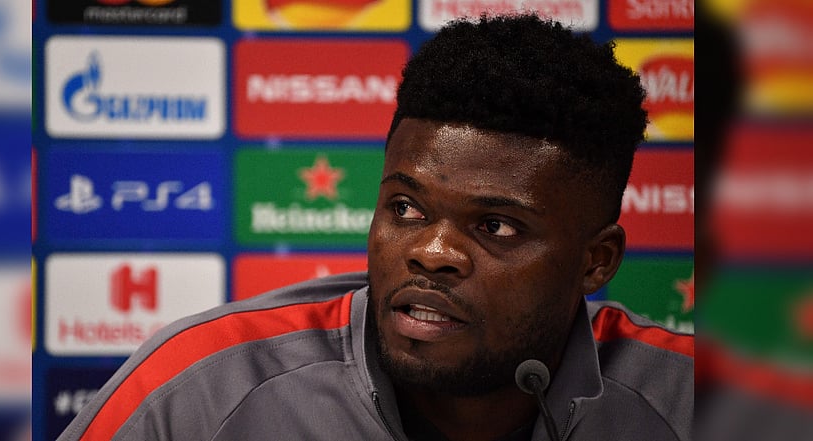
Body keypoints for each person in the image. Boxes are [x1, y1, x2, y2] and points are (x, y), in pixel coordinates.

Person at [58, 13, 693, 441]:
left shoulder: (692, 401)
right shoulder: (200, 390)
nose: (433, 253)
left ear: (596, 262)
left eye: (496, 226)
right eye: (406, 209)